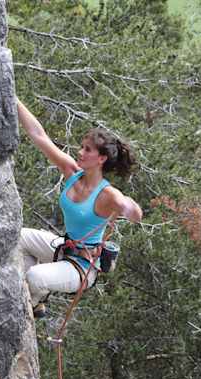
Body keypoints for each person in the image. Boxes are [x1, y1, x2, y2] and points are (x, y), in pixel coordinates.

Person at [16, 99, 143, 317]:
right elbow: (39, 135)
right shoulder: (72, 172)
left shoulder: (107, 195)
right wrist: (14, 99)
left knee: (36, 277)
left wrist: (126, 205)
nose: (80, 152)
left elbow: (136, 214)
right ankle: (32, 296)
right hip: (64, 249)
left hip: (82, 268)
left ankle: (32, 298)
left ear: (101, 159)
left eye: (87, 150)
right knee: (16, 237)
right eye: (82, 147)